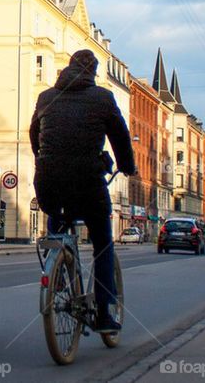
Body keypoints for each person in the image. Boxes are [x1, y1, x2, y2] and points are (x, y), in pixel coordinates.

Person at [30, 49, 136, 334]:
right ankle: (104, 313)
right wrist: (127, 166)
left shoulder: (46, 97)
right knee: (102, 241)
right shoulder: (102, 98)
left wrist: (43, 159)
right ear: (93, 72)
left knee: (57, 219)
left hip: (49, 180)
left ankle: (59, 275)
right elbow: (120, 136)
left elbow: (33, 133)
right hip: (88, 181)